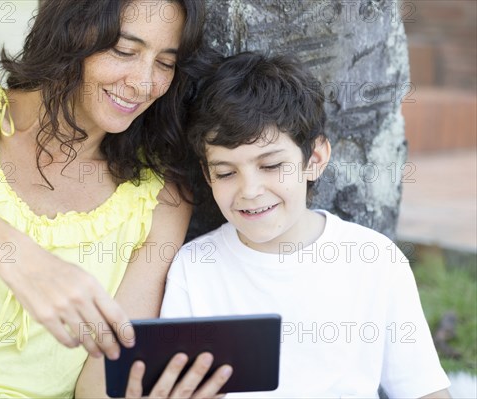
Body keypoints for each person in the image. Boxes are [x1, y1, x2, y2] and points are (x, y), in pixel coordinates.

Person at [0, 0, 230, 397]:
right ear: (71, 30)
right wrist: (19, 258)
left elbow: (100, 380)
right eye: (124, 51)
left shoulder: (160, 197)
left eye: (165, 63)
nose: (144, 83)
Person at [160, 52, 452, 398]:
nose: (250, 191)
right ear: (207, 173)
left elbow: (424, 390)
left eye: (270, 166)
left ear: (314, 159)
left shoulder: (375, 260)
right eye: (226, 172)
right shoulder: (194, 268)